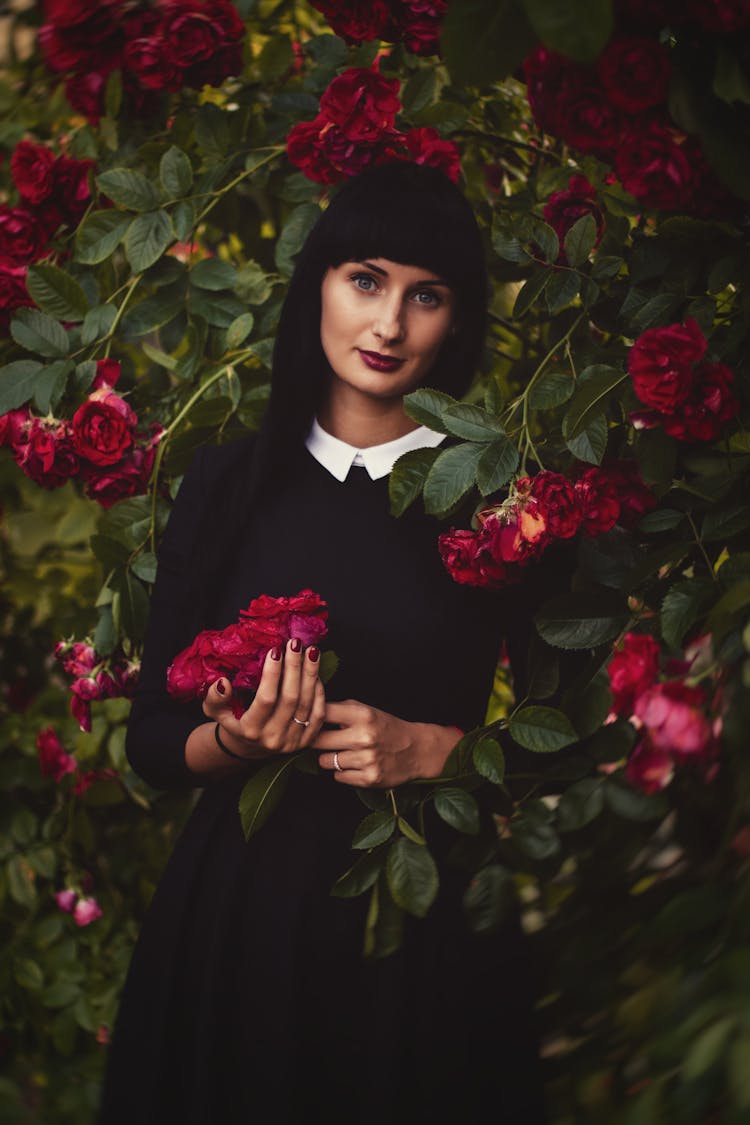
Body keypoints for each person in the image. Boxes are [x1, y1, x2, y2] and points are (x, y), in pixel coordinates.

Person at [98, 162, 548, 1124]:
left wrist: (440, 752)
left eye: (425, 296)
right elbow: (148, 742)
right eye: (367, 280)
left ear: (458, 321)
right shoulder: (225, 484)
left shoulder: (499, 504)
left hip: (421, 937)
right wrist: (235, 744)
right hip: (239, 931)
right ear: (319, 287)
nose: (388, 325)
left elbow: (579, 746)